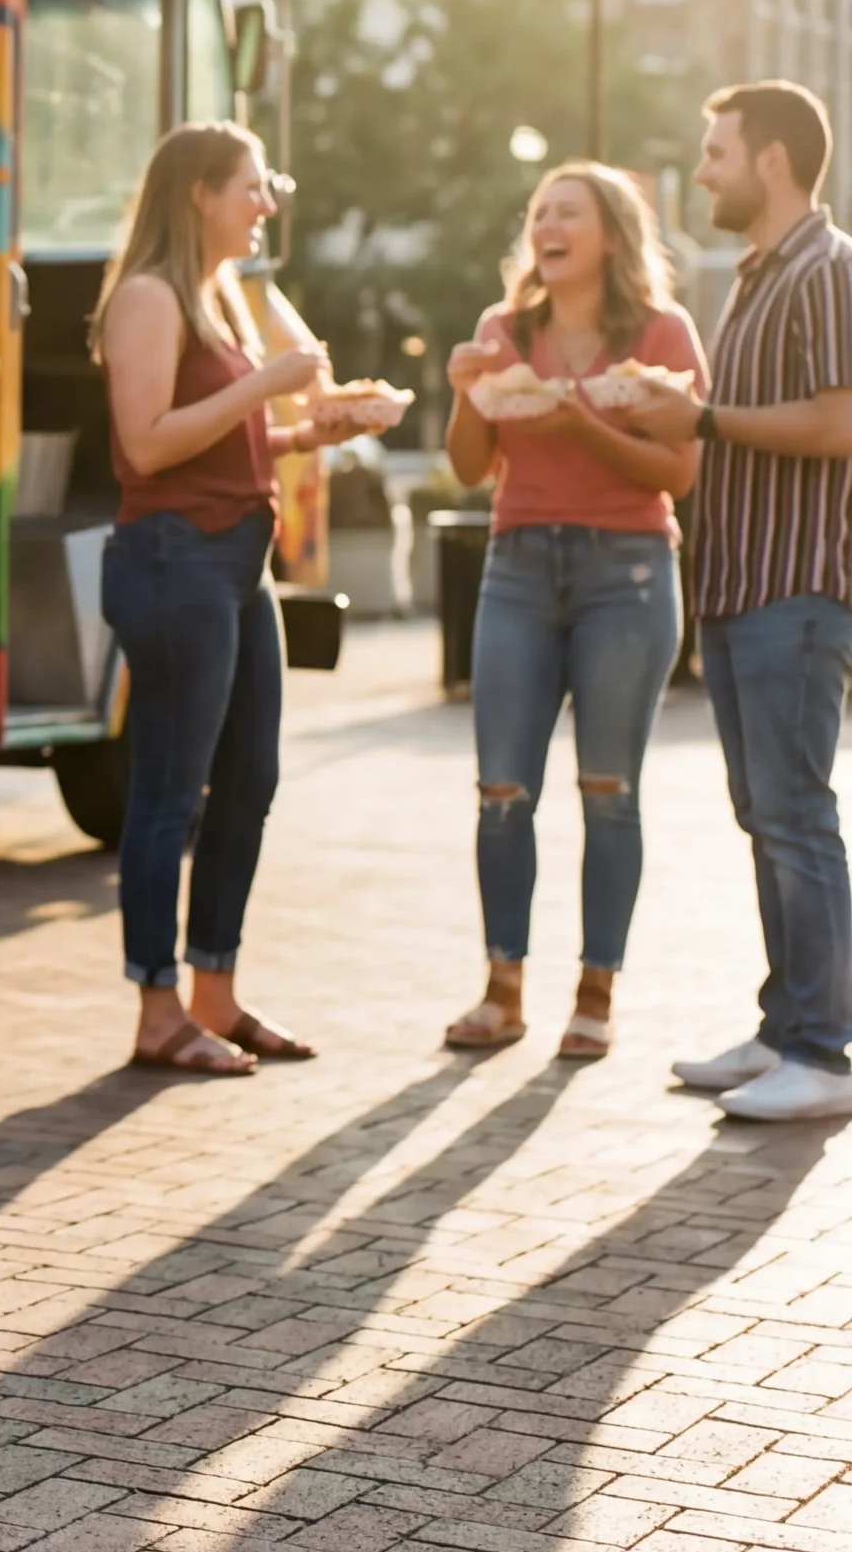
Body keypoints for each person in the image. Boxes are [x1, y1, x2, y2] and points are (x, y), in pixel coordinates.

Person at [96, 121, 379, 1075]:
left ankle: (214, 990)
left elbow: (218, 437)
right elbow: (147, 444)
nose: (266, 205)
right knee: (170, 794)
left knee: (248, 782)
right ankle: (157, 1007)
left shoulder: (217, 296)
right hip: (174, 560)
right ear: (198, 195)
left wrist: (309, 431)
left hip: (236, 559)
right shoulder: (147, 294)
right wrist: (268, 383)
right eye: (252, 187)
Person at [620, 83, 852, 1122]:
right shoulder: (759, 273)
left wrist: (700, 417)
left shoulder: (824, 269)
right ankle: (782, 1030)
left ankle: (824, 1052)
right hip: (742, 586)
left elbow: (840, 422)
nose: (701, 169)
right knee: (764, 815)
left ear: (771, 161)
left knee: (795, 818)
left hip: (796, 587)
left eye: (716, 152)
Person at [441, 165, 706, 1061]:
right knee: (501, 791)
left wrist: (577, 421)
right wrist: (465, 386)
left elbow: (678, 473)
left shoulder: (664, 334)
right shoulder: (501, 330)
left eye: (569, 213)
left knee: (610, 793)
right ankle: (502, 987)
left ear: (609, 236)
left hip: (625, 574)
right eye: (540, 213)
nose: (548, 226)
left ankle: (597, 990)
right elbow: (472, 466)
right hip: (516, 567)